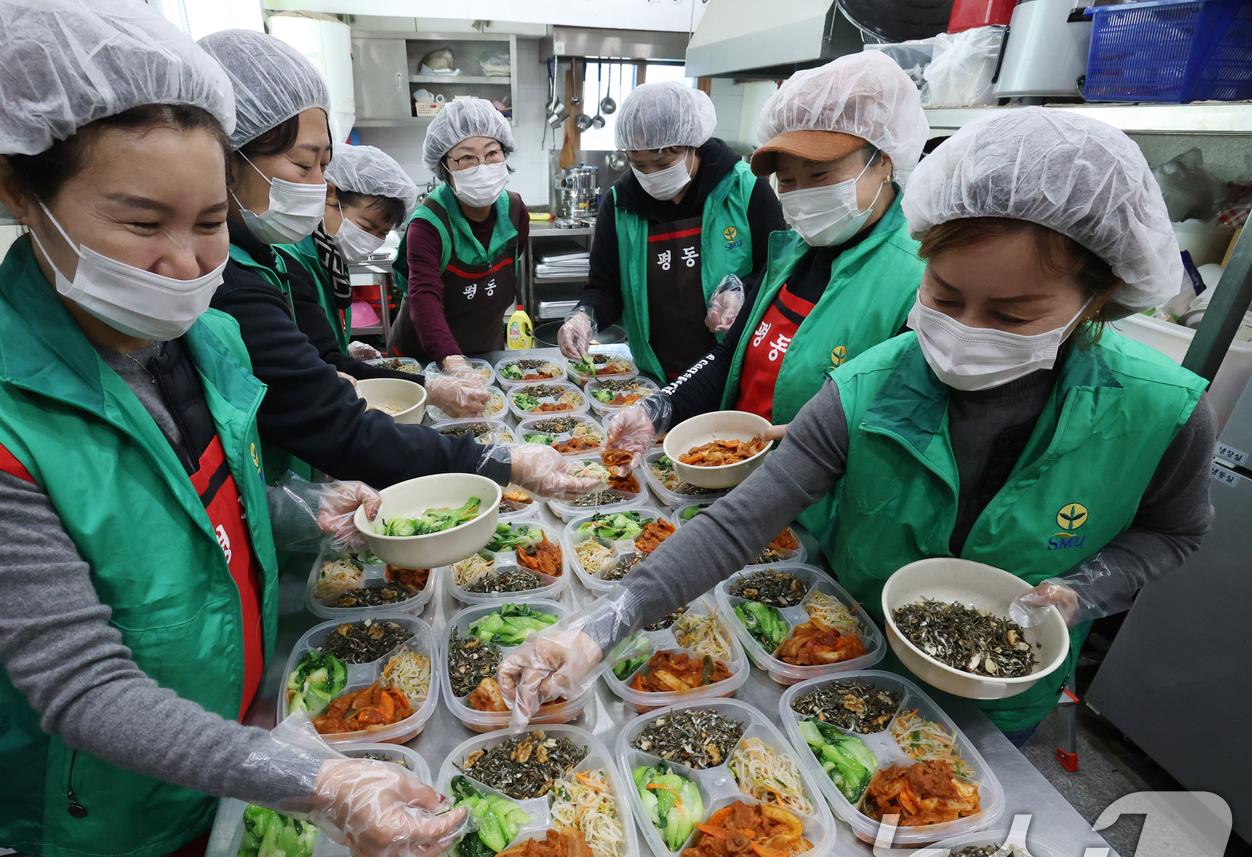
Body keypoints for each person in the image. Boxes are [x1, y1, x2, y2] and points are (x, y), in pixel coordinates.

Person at [0, 0, 466, 857]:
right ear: (20, 191)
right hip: (125, 799)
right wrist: (322, 777)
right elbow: (82, 688)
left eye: (212, 222)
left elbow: (189, 508)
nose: (185, 266)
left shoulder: (204, 337)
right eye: (142, 224)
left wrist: (307, 510)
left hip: (258, 728)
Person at [497, 108, 1215, 746]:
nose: (965, 332)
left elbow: (1171, 532)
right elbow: (738, 523)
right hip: (847, 657)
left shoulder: (1163, 411)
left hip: (1007, 696)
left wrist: (1084, 588)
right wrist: (602, 625)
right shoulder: (869, 386)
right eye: (945, 295)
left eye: (1012, 316)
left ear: (1100, 298)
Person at [196, 31, 590, 494]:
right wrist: (489, 446)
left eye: (325, 165)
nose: (322, 186)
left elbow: (320, 368)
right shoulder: (239, 279)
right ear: (223, 157)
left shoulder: (263, 257)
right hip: (306, 449)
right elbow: (338, 416)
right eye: (306, 166)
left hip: (295, 463)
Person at [604, 52, 930, 473]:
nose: (800, 194)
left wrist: (822, 440)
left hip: (817, 504)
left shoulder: (918, 279)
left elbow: (905, 424)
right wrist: (658, 408)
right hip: (744, 475)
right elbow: (727, 358)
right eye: (788, 180)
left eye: (819, 175)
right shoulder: (792, 253)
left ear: (882, 160)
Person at [556, 81, 787, 382]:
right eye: (639, 165)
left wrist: (741, 291)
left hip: (732, 370)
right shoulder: (619, 204)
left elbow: (779, 271)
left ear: (692, 144)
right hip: (654, 375)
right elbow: (605, 287)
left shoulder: (746, 189)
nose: (651, 176)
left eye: (663, 163)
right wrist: (584, 316)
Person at [391, 98, 528, 364]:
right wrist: (453, 364)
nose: (483, 166)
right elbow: (425, 298)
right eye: (467, 157)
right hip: (423, 359)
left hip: (486, 352)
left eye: (492, 153)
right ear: (444, 168)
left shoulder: (515, 212)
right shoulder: (428, 224)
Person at [280, 143, 418, 360]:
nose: (372, 239)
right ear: (330, 194)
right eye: (366, 227)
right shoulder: (293, 258)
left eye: (382, 233)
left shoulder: (330, 256)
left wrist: (343, 350)